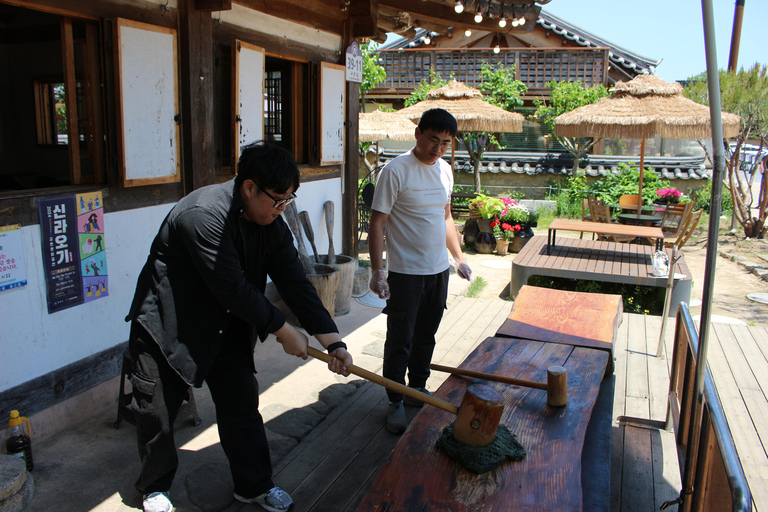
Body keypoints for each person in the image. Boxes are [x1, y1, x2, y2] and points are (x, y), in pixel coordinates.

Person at [125, 141, 352, 512]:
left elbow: (296, 283)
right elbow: (232, 288)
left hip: (225, 326)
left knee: (242, 406)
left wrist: (334, 343)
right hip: (168, 322)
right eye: (278, 199)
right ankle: (154, 487)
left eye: (288, 200)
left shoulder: (271, 223)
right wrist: (284, 331)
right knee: (158, 413)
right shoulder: (203, 215)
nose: (282, 209)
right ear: (249, 187)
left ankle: (254, 485)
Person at [368, 108, 472, 434]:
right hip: (405, 272)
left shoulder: (445, 171)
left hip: (437, 270)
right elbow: (377, 222)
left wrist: (459, 258)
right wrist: (377, 271)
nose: (438, 149)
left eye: (445, 143)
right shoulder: (395, 171)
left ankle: (417, 389)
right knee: (400, 337)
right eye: (432, 140)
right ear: (418, 134)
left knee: (426, 333)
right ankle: (395, 399)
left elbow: (446, 218)